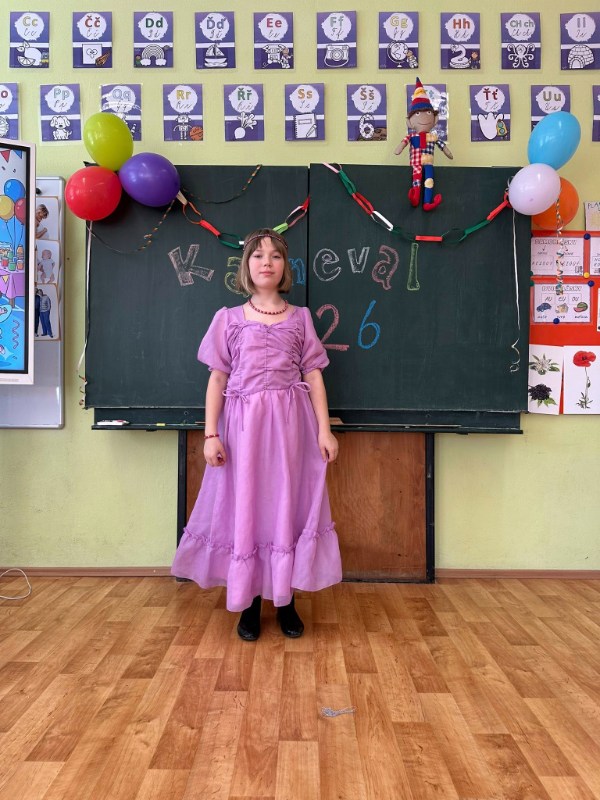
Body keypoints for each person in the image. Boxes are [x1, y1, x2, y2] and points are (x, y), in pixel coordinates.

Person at [172, 228, 342, 640]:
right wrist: (210, 435)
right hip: (242, 433)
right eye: (258, 255)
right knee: (246, 507)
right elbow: (217, 379)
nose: (267, 262)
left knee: (286, 506)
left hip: (290, 432)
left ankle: (285, 600)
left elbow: (314, 376)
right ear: (246, 266)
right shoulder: (228, 319)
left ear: (285, 267)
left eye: (276, 256)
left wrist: (325, 430)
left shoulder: (300, 318)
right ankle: (247, 602)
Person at [394, 77, 453, 211]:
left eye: (428, 113)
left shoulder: (433, 137)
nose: (424, 117)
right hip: (415, 163)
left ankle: (427, 202)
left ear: (435, 119)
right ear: (409, 122)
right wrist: (398, 149)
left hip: (429, 163)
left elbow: (443, 146)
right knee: (417, 178)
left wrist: (448, 153)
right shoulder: (411, 136)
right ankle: (415, 198)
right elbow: (402, 145)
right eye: (418, 113)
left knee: (429, 180)